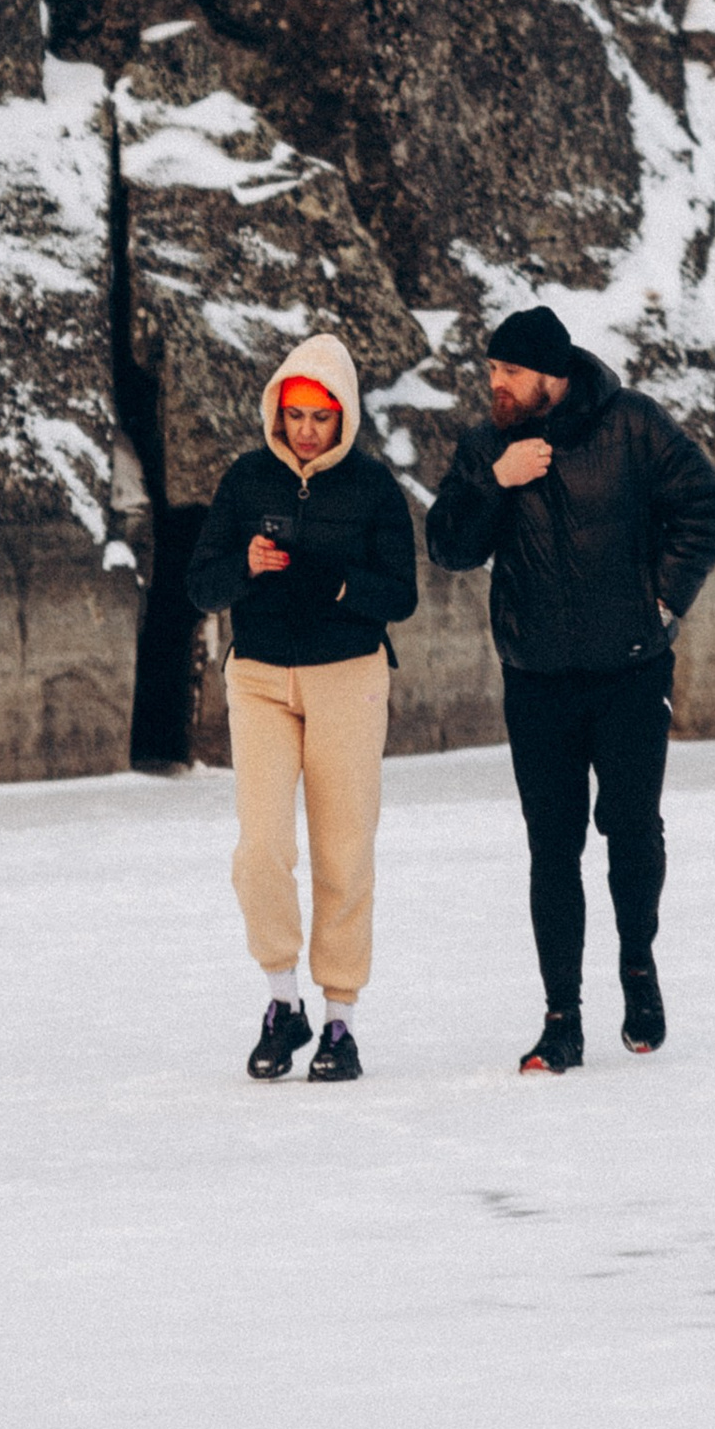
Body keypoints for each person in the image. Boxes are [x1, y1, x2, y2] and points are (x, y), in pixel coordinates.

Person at [426, 302, 715, 1074]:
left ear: (552, 379)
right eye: (491, 370)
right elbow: (449, 546)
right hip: (536, 679)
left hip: (630, 669)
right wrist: (495, 483)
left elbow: (708, 508)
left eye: (510, 373)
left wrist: (660, 600)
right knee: (551, 851)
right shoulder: (486, 446)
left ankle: (638, 966)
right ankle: (560, 1020)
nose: (495, 384)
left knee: (631, 832)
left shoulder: (633, 425)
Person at [186, 330, 418, 1083]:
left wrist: (341, 584)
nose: (307, 430)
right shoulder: (245, 479)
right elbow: (199, 585)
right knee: (260, 848)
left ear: (343, 415)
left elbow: (402, 596)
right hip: (257, 676)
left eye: (321, 417)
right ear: (276, 412)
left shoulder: (375, 488)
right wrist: (245, 567)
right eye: (295, 415)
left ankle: (341, 1019)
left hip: (348, 676)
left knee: (344, 851)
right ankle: (281, 1002)